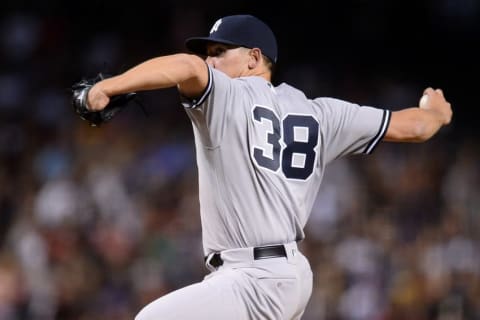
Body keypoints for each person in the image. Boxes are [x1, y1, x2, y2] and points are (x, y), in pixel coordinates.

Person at [85, 14, 452, 320]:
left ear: (253, 59)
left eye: (219, 51)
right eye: (209, 54)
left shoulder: (226, 95)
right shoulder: (321, 112)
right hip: (288, 275)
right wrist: (435, 112)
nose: (210, 61)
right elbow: (415, 127)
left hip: (252, 277)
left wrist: (106, 89)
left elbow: (186, 66)